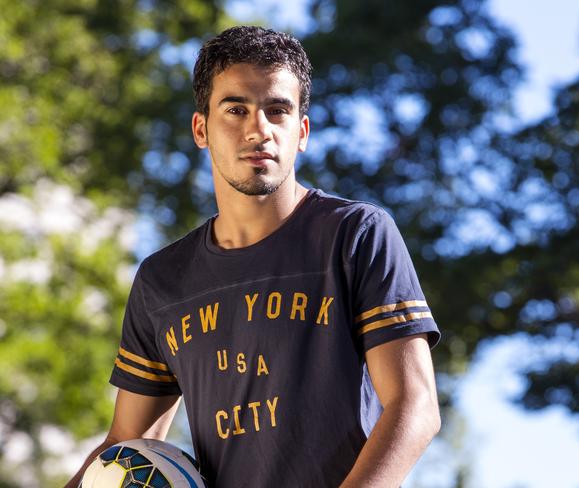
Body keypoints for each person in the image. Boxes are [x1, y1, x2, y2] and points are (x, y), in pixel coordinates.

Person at [67, 25, 441, 488]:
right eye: (236, 109)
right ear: (201, 128)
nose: (258, 129)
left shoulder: (355, 236)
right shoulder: (162, 280)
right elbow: (126, 441)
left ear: (301, 132)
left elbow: (415, 407)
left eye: (277, 110)